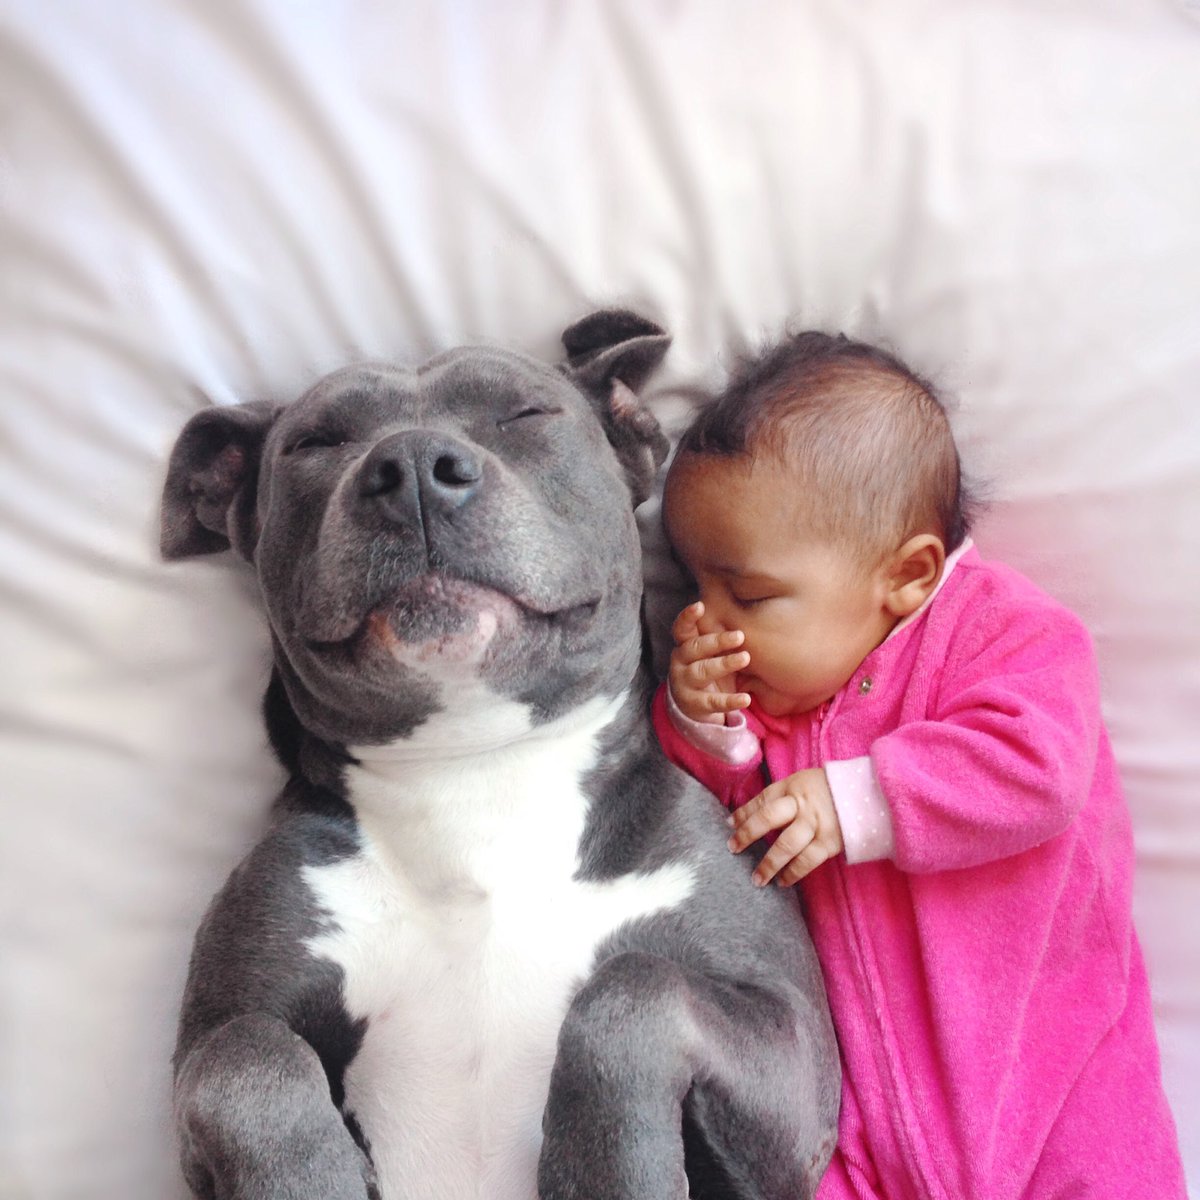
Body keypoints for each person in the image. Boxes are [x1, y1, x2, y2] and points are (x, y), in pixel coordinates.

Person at [652, 331, 1186, 1199]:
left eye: (747, 595)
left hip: (1056, 1085)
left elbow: (1040, 769)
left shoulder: (1007, 633)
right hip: (862, 1114)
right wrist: (703, 723)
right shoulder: (782, 707)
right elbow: (725, 826)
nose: (711, 620)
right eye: (694, 586)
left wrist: (855, 801)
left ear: (906, 573)